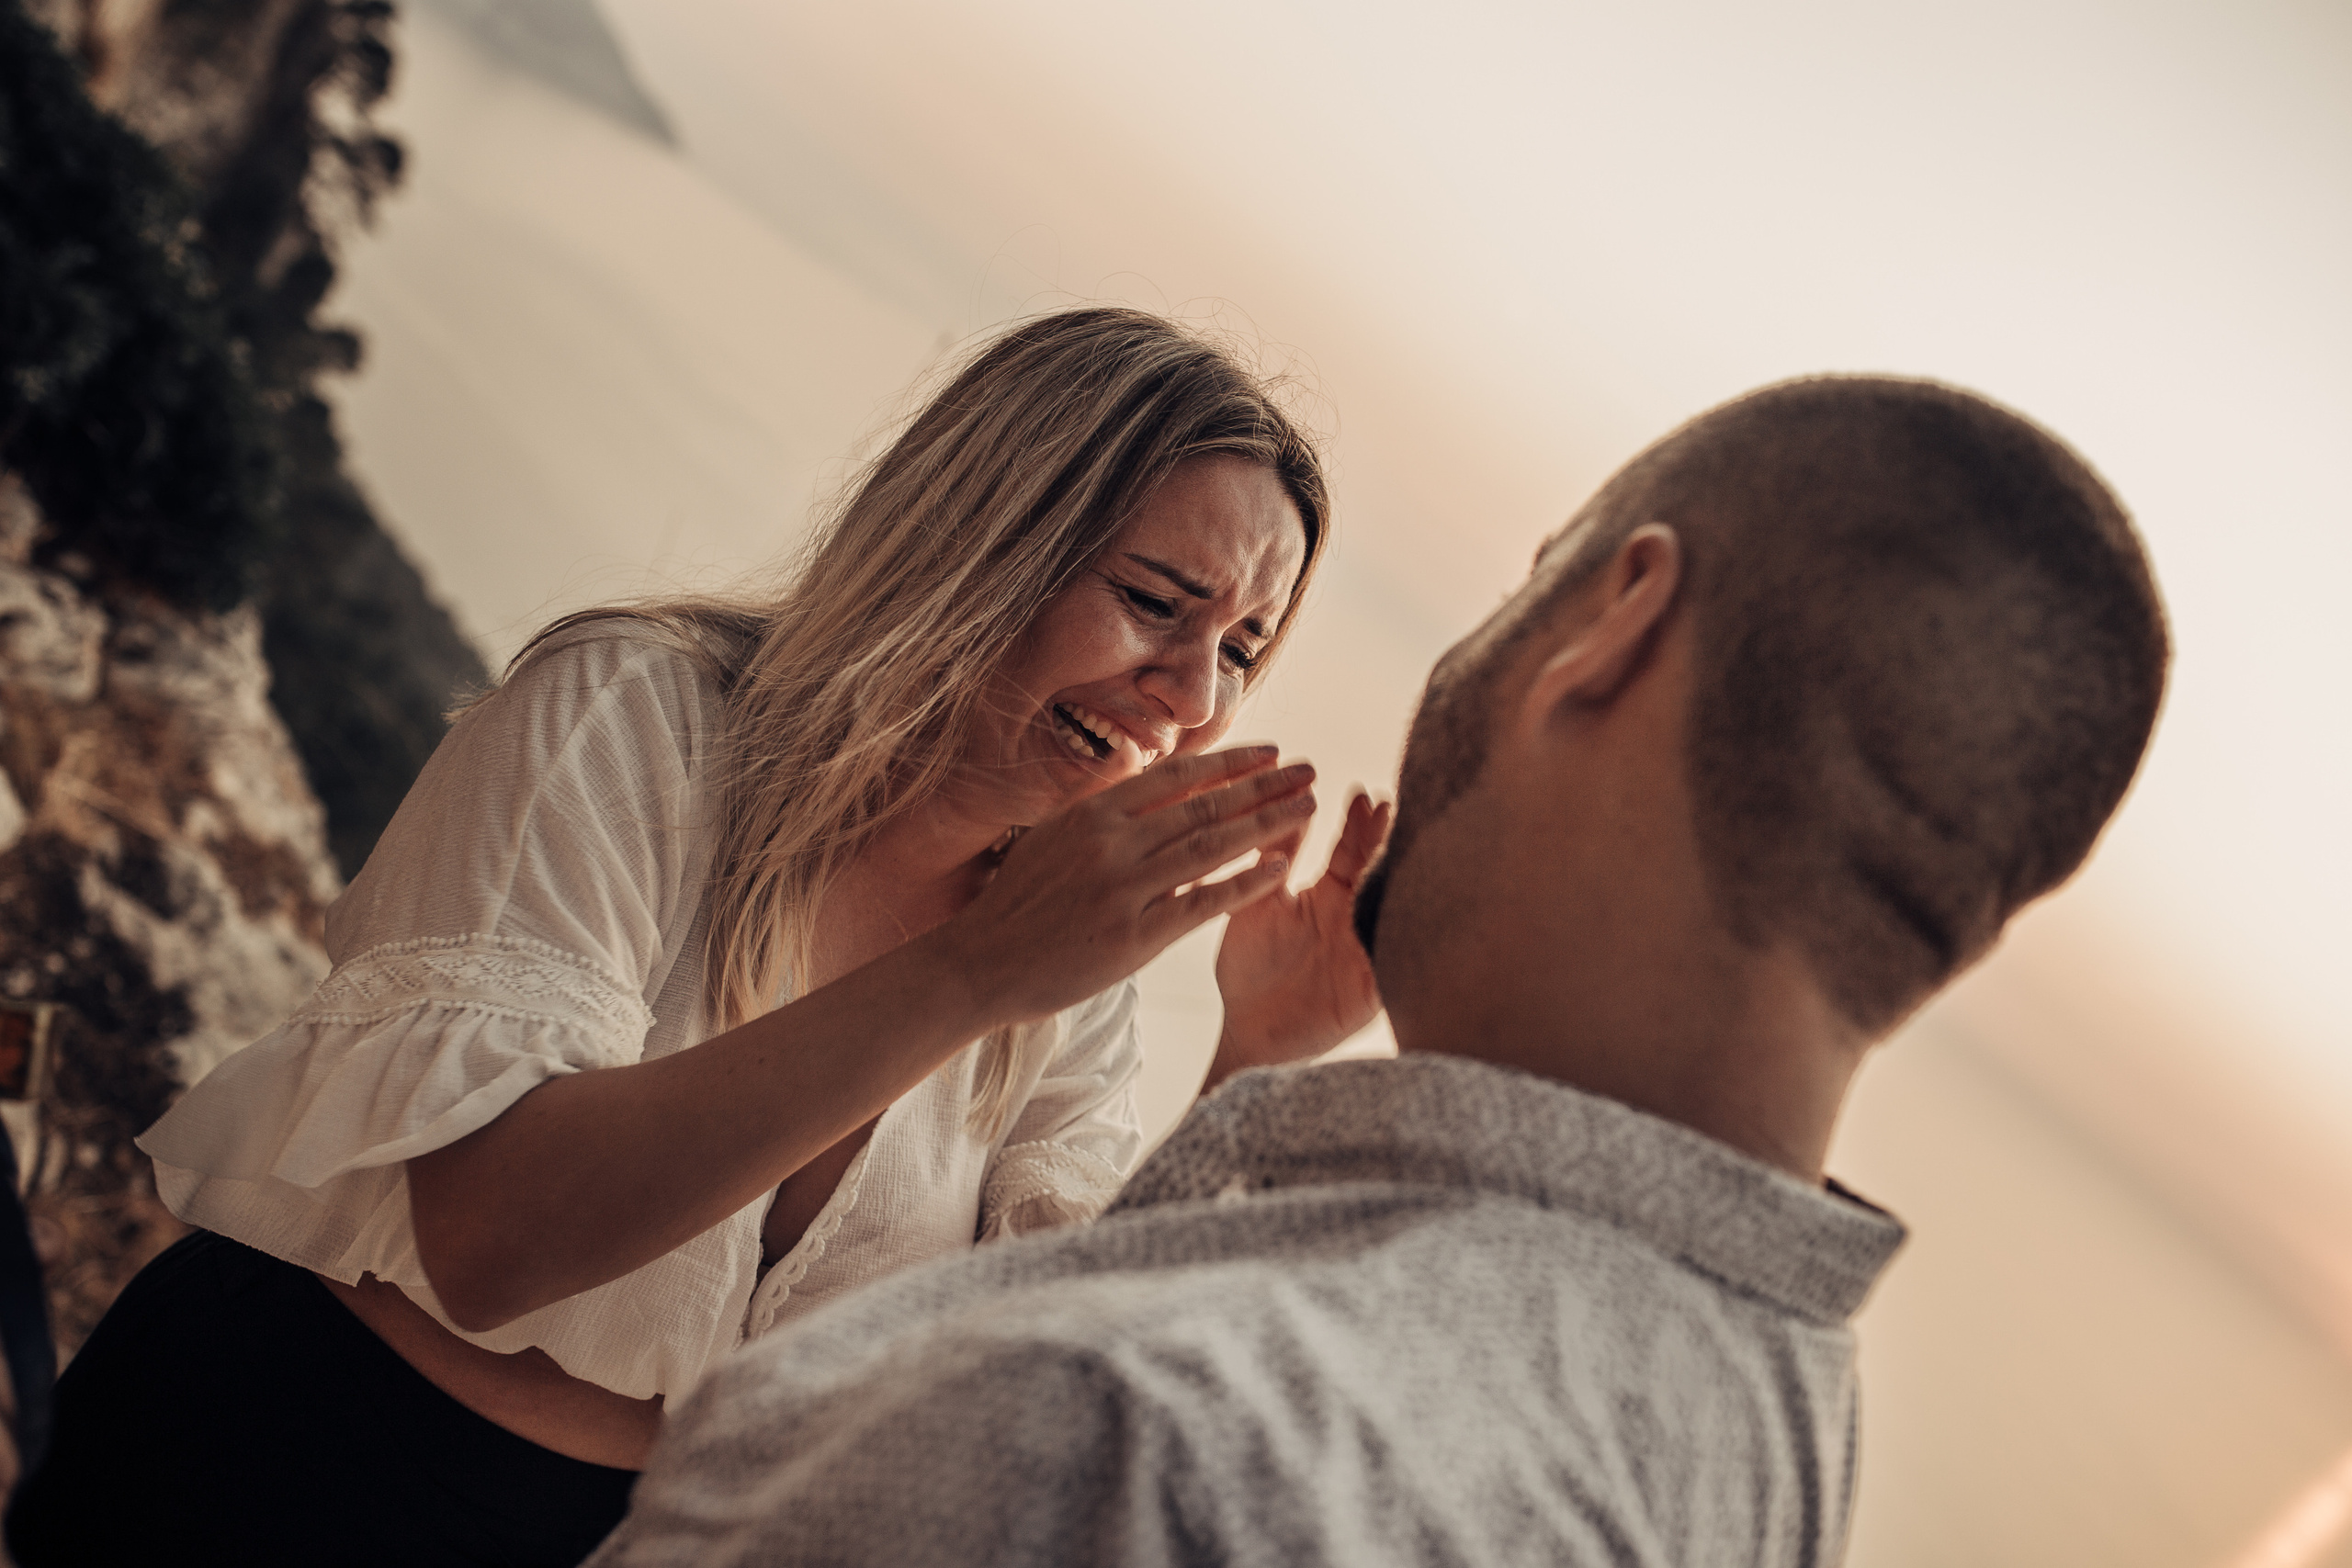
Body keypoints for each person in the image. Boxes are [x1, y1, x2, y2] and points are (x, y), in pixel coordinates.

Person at [585, 374, 2169, 1568]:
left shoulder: (1100, 1433)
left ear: (1615, 623)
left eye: (1528, 585)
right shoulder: (1767, 1427)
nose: (1198, 696)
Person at [6, 308, 1391, 1567]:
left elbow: (1030, 1375)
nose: (1191, 695)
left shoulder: (1066, 965)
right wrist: (977, 973)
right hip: (277, 1464)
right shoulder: (633, 714)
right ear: (989, 533)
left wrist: (1256, 1062)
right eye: (1155, 602)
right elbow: (492, 1238)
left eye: (1241, 650)